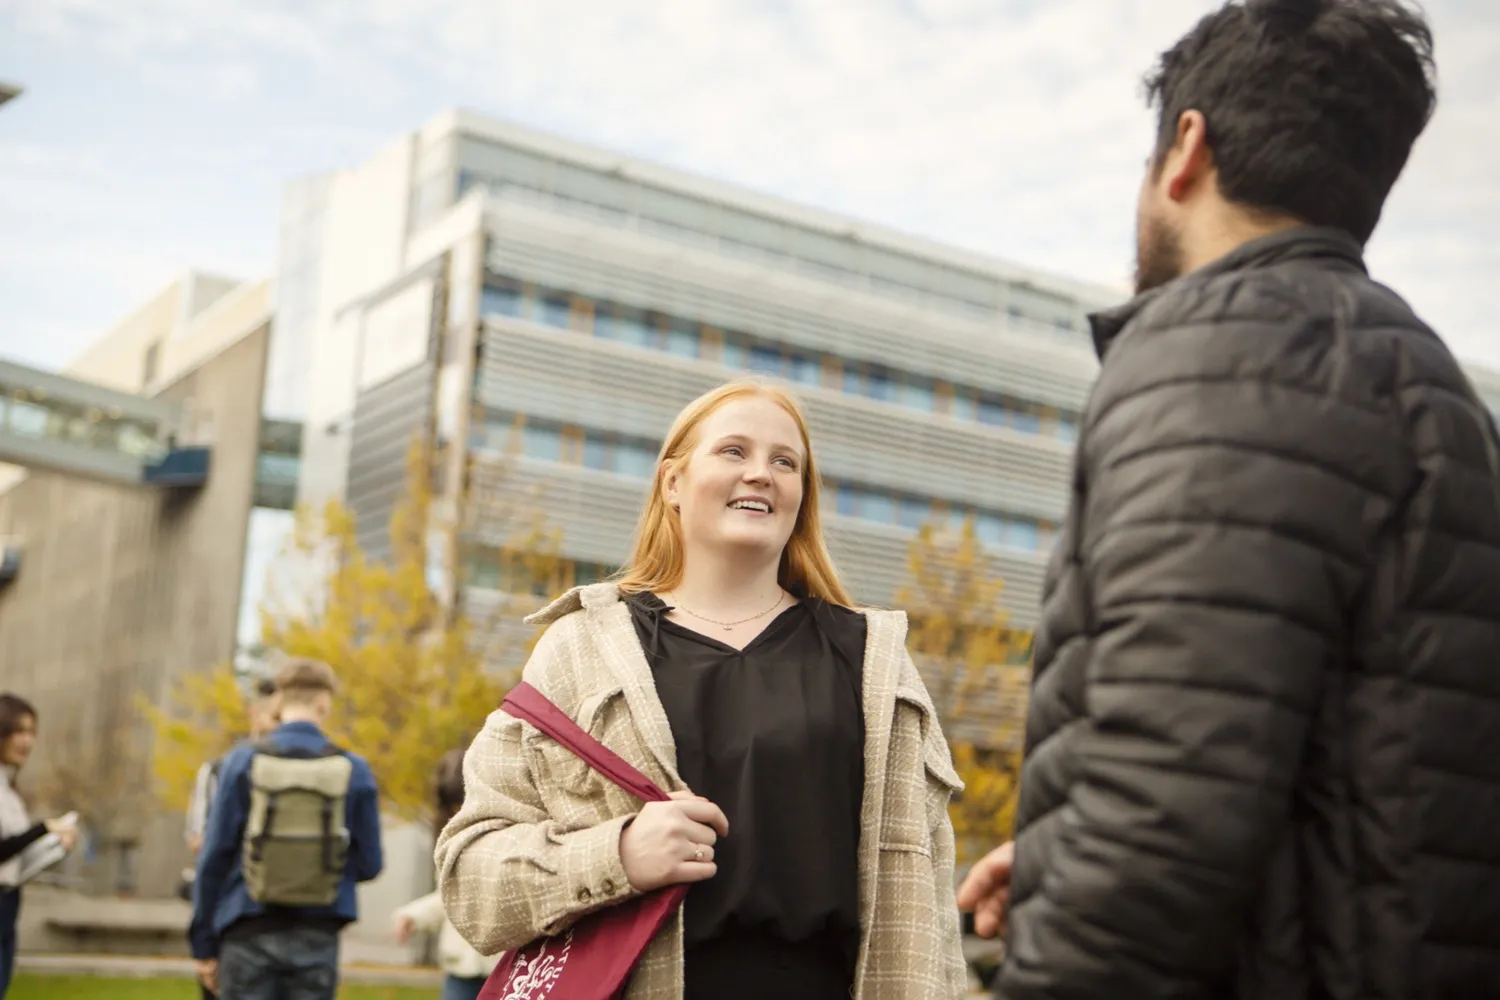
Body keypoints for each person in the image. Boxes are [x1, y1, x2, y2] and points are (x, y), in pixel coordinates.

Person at [957, 2, 1500, 998]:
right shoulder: (1425, 380)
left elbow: (1165, 798)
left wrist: (1070, 935)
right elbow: (1351, 763)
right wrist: (1059, 862)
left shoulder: (1227, 355)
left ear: (1187, 149)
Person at [436, 379, 968, 1000]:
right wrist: (618, 856)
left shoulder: (874, 662)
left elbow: (931, 906)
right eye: (734, 452)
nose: (761, 474)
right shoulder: (580, 649)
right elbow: (468, 881)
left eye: (784, 462)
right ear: (672, 485)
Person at [191, 659, 383, 1000]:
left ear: (277, 702)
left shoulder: (241, 761)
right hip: (317, 932)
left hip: (246, 927)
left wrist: (204, 944)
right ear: (324, 703)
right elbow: (370, 863)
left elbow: (214, 858)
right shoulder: (354, 768)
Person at [182, 676, 281, 1000]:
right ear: (255, 713)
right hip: (230, 916)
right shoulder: (218, 770)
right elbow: (200, 844)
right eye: (276, 716)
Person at [393, 749, 499, 1000]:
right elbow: (449, 895)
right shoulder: (449, 840)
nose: (460, 812)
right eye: (454, 806)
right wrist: (414, 915)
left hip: (500, 965)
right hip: (461, 968)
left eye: (464, 802)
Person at [0, 694, 78, 998]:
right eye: (19, 731)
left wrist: (53, 844)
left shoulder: (9, 789)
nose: (27, 741)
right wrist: (43, 828)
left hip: (8, 901)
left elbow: (13, 852)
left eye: (32, 732)